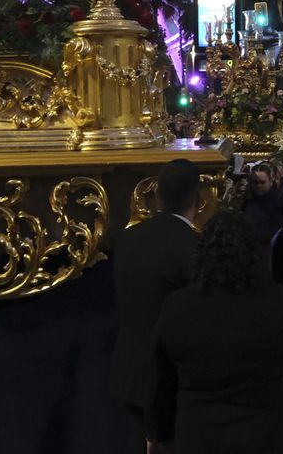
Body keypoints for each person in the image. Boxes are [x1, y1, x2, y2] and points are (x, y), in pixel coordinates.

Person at [148, 211, 283, 454]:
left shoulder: (177, 307)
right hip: (269, 436)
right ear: (254, 254)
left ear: (202, 254)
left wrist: (157, 434)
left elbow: (161, 381)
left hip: (200, 437)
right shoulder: (281, 303)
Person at [111, 159, 204, 451]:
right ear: (198, 199)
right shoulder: (195, 246)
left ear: (157, 195)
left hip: (130, 375)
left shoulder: (127, 238)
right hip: (174, 383)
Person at [242, 162, 283, 253]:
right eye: (255, 182)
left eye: (262, 182)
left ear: (271, 180)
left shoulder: (282, 201)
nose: (258, 186)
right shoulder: (245, 202)